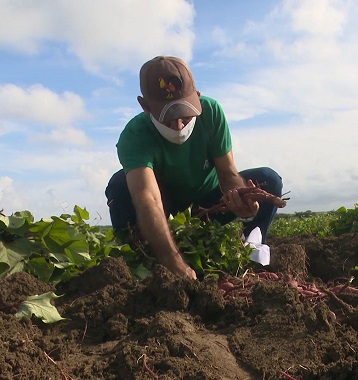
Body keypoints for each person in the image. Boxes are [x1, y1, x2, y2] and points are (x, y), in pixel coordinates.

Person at [105, 56, 283, 280]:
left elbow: (227, 174)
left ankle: (252, 251)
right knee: (119, 184)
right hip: (164, 210)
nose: (178, 126)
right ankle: (139, 259)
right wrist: (172, 262)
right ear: (145, 106)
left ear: (197, 99)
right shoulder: (134, 136)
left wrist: (240, 200)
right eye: (167, 118)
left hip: (208, 206)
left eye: (185, 115)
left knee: (268, 179)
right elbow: (148, 199)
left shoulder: (211, 112)